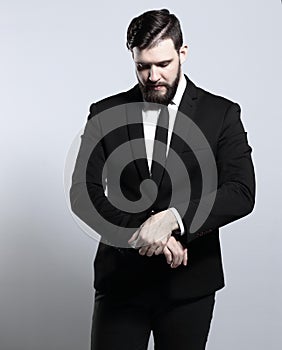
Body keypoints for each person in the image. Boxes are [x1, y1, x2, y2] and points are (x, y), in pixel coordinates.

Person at [70, 9, 256, 350]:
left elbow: (241, 192)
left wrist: (173, 219)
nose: (153, 75)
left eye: (164, 64)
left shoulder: (222, 113)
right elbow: (84, 193)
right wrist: (144, 230)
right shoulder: (103, 112)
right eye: (143, 66)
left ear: (183, 53)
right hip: (121, 283)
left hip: (190, 284)